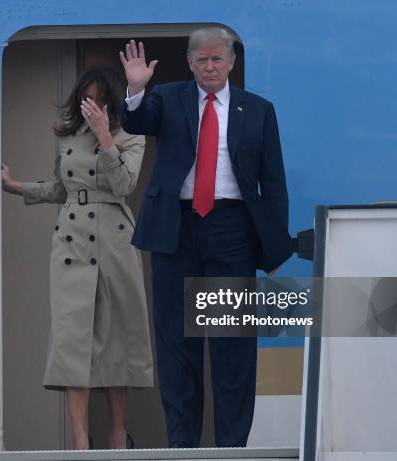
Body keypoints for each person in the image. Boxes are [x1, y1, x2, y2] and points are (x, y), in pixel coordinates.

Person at [119, 28, 293, 448]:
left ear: (232, 62)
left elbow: (273, 181)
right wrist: (136, 90)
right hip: (175, 230)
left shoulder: (259, 109)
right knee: (177, 346)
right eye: (202, 60)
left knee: (231, 347)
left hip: (231, 230)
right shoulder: (167, 97)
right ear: (189, 62)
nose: (210, 67)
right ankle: (182, 445)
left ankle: (233, 446)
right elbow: (138, 121)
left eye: (217, 60)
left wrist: (274, 243)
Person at [2, 66, 153, 450]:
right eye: (87, 98)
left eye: (100, 99)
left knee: (117, 337)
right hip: (71, 242)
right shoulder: (66, 135)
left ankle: (118, 433)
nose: (93, 106)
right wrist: (16, 186)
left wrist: (105, 136)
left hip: (115, 239)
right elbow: (61, 187)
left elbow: (125, 185)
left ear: (112, 102)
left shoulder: (131, 134)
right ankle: (80, 439)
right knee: (72, 339)